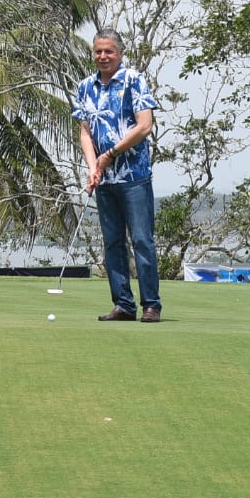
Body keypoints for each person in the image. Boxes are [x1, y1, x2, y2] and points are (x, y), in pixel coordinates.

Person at [73, 30, 163, 323]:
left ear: (120, 53)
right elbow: (85, 131)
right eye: (98, 51)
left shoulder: (134, 80)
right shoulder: (86, 86)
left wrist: (110, 154)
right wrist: (93, 166)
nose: (103, 57)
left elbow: (144, 126)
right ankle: (123, 304)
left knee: (141, 240)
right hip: (105, 179)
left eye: (109, 51)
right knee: (112, 242)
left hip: (133, 175)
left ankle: (151, 304)